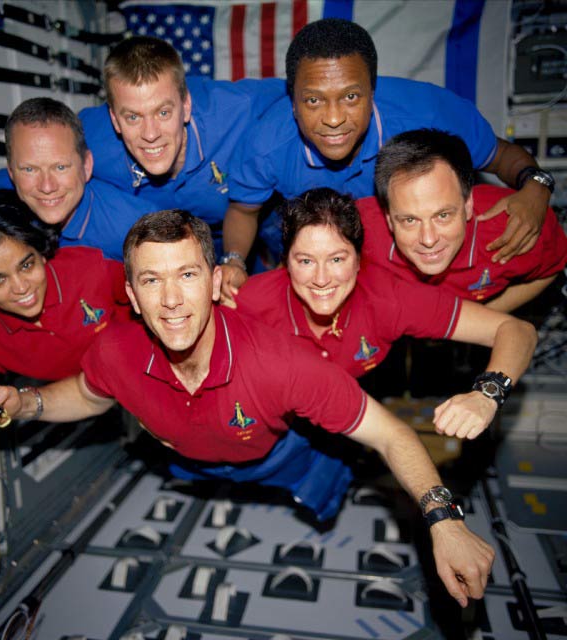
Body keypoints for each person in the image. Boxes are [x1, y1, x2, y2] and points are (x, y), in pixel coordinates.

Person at [0, 209, 494, 607]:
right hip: (189, 460)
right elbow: (86, 392)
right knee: (201, 471)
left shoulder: (285, 365)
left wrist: (444, 522)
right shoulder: (112, 350)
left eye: (188, 275)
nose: (171, 300)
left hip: (288, 455)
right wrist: (28, 402)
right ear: (130, 292)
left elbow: (390, 435)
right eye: (152, 280)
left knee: (323, 499)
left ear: (217, 283)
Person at [220, 18, 554, 304]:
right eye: (313, 100)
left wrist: (536, 186)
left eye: (351, 96)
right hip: (325, 259)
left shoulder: (431, 114)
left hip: (408, 259)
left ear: (373, 91)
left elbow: (503, 156)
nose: (334, 118)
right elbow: (243, 210)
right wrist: (235, 260)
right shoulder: (266, 144)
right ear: (293, 103)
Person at [233, 187, 537, 440]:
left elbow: (516, 331)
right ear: (286, 262)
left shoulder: (389, 298)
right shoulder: (251, 302)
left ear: (358, 260)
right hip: (268, 423)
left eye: (337, 259)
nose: (322, 279)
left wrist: (487, 394)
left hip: (344, 423)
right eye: (305, 261)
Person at [0, 191, 127, 427]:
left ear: (41, 255)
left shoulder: (90, 268)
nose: (21, 287)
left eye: (27, 265)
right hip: (91, 398)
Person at [78, 35, 286, 258]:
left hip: (255, 217)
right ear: (114, 119)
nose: (150, 134)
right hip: (175, 244)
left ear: (186, 106)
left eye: (163, 112)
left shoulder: (237, 107)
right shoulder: (87, 138)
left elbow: (306, 90)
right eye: (133, 117)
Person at [364, 128, 567, 312]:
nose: (428, 239)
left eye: (443, 215)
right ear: (389, 219)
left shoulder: (513, 226)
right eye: (409, 220)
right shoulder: (357, 229)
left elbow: (553, 266)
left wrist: (475, 321)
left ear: (468, 205)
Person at [0, 98, 158, 261]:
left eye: (60, 167)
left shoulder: (136, 229)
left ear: (86, 166)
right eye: (29, 169)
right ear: (11, 173)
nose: (47, 186)